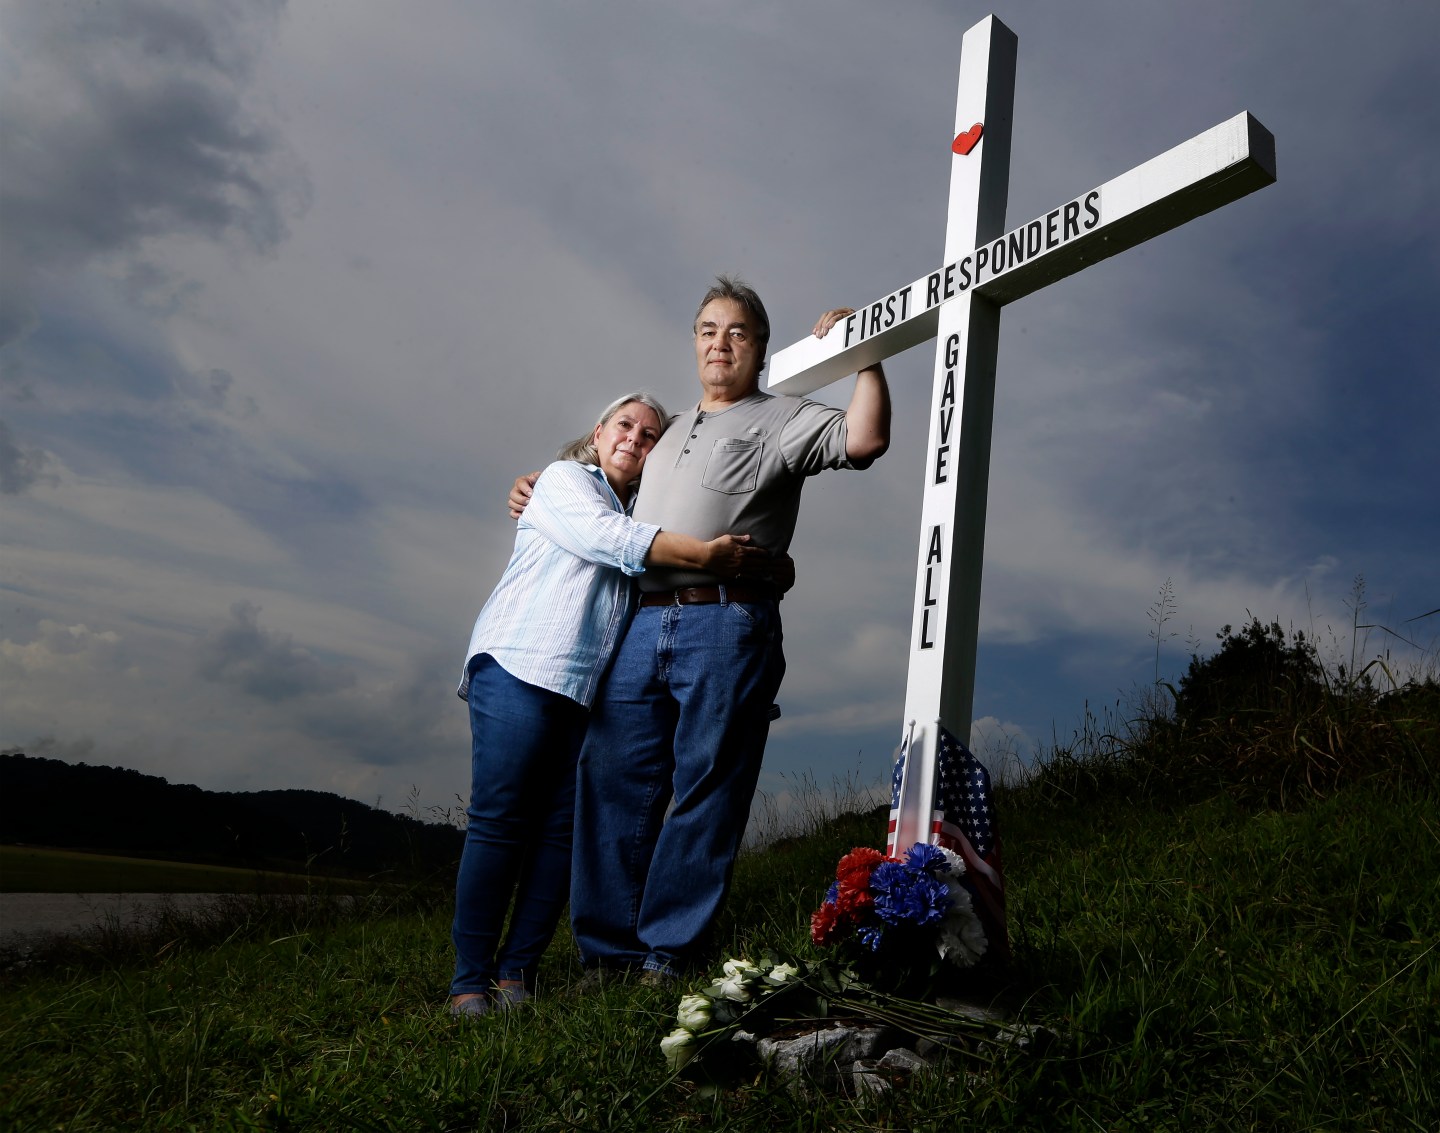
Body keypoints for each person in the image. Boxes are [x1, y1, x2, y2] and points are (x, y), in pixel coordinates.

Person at [509, 278, 890, 982]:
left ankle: (667, 951)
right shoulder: (669, 430)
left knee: (707, 781)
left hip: (727, 618)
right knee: (610, 777)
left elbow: (865, 438)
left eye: (738, 331)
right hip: (639, 622)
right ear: (694, 343)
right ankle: (607, 952)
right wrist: (540, 486)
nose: (722, 341)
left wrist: (866, 355)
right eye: (709, 329)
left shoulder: (784, 416)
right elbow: (609, 483)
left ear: (761, 348)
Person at [449, 392, 774, 1017]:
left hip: (581, 693)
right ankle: (469, 982)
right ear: (598, 433)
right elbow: (609, 539)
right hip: (519, 666)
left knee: (558, 836)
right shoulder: (566, 481)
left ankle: (516, 975)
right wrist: (706, 556)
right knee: (499, 823)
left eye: (651, 435)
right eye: (625, 425)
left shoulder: (638, 512)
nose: (636, 438)